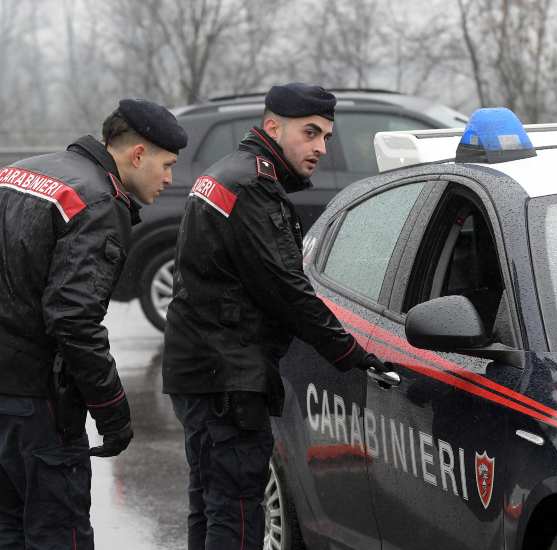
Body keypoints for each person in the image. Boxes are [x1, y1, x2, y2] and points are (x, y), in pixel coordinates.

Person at [162, 83, 389, 550]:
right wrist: (351, 352)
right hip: (228, 375)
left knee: (210, 500)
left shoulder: (226, 172)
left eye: (325, 136)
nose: (320, 148)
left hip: (200, 367)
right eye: (310, 133)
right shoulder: (254, 187)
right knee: (238, 510)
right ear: (272, 126)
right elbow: (287, 288)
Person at [0, 99, 188, 549]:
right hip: (38, 404)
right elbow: (73, 318)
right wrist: (112, 411)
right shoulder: (99, 202)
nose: (170, 179)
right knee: (58, 535)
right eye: (166, 165)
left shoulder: (18, 172)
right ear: (137, 154)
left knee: (7, 530)